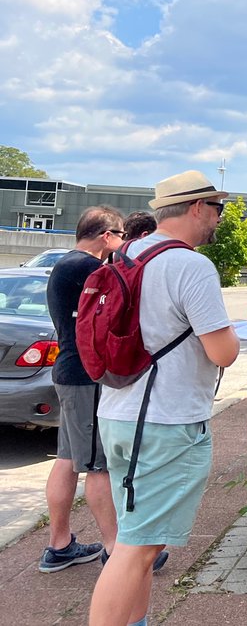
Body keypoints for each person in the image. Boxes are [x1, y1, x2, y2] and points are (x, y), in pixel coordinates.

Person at [89, 170, 240, 626]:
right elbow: (224, 352)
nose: (219, 218)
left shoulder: (128, 253)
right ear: (196, 207)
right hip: (165, 422)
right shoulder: (191, 265)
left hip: (118, 412)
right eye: (218, 208)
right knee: (135, 550)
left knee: (143, 539)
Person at [38, 207, 126, 574]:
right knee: (98, 464)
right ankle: (115, 551)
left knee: (68, 459)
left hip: (68, 372)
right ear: (107, 236)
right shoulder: (88, 267)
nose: (122, 243)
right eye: (121, 235)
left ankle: (59, 546)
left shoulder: (64, 264)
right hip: (84, 377)